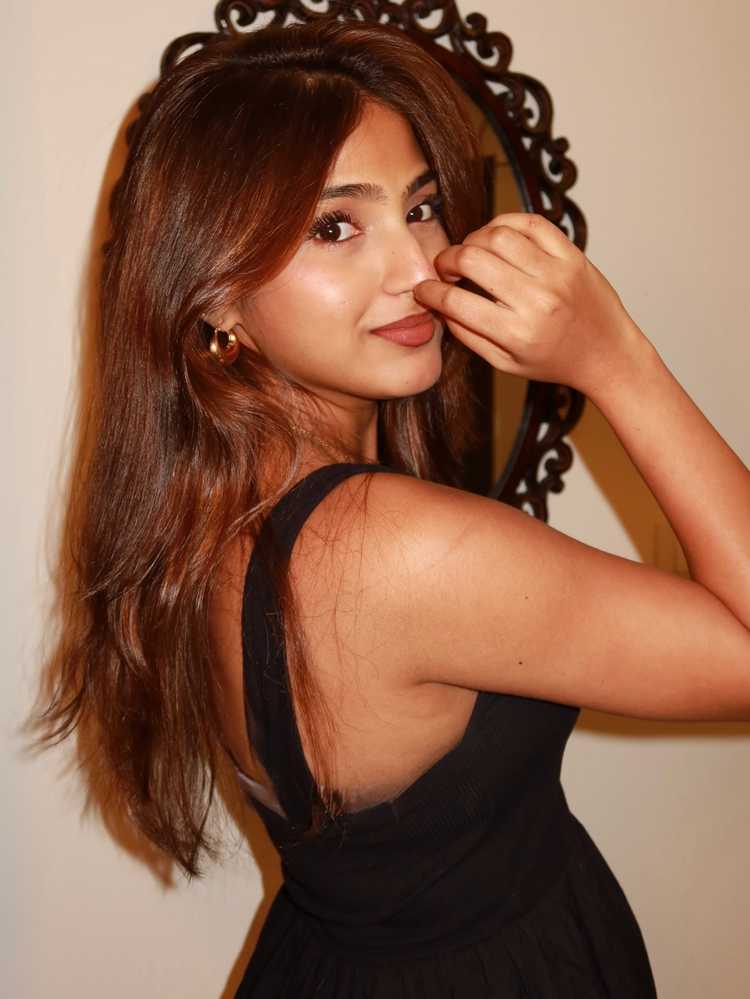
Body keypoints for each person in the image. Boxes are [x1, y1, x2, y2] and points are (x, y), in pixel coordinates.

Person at [34, 16, 750, 998]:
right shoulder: (395, 551)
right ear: (216, 297)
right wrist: (617, 360)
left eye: (422, 208)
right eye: (335, 227)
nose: (420, 268)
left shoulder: (212, 506)